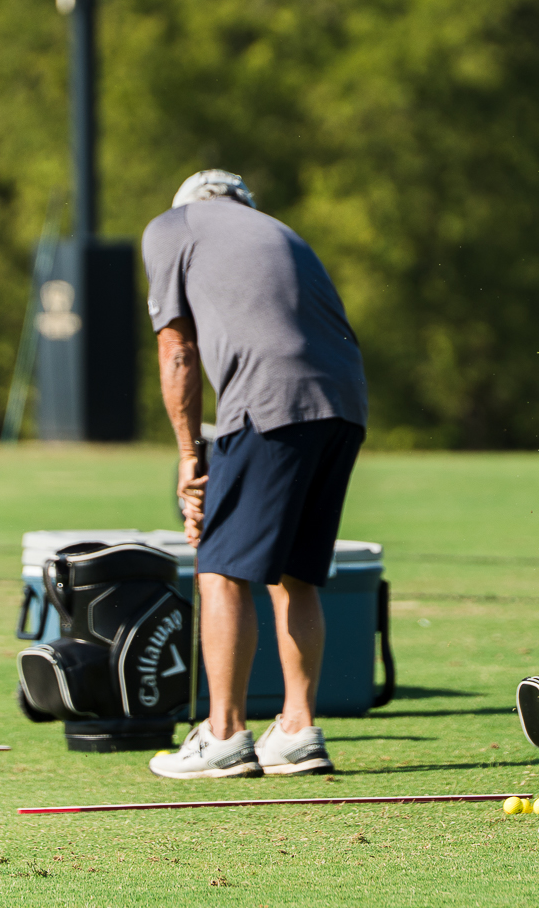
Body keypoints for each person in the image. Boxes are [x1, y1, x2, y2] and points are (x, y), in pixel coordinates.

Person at [142, 169, 369, 780]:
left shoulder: (171, 226)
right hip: (344, 404)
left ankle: (223, 735)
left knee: (220, 568)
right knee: (296, 573)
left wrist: (190, 454)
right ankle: (296, 731)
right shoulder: (278, 230)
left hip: (268, 402)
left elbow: (178, 349)